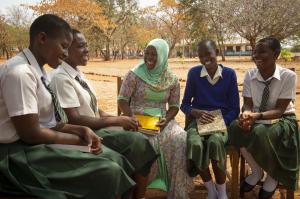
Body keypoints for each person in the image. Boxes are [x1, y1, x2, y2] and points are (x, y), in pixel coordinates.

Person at [0, 14, 136, 199]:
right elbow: (30, 133)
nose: (66, 52)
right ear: (42, 38)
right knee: (107, 171)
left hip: (35, 144)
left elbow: (46, 122)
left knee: (115, 159)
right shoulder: (20, 73)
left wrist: (80, 130)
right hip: (17, 154)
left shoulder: (39, 71)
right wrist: (76, 140)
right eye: (64, 46)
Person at [50, 29, 158, 199]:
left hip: (96, 126)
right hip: (86, 134)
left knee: (140, 142)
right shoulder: (61, 78)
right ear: (66, 50)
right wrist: (118, 120)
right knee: (137, 144)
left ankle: (139, 196)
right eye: (81, 46)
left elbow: (95, 109)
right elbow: (75, 118)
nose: (87, 50)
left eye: (86, 45)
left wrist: (121, 120)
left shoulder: (78, 74)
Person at [118, 38, 193, 199]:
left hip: (162, 119)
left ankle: (176, 192)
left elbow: (174, 106)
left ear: (163, 56)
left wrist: (167, 119)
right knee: (143, 142)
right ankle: (137, 192)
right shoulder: (134, 74)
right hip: (137, 119)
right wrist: (130, 117)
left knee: (180, 138)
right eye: (147, 53)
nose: (150, 57)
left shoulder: (171, 79)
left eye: (154, 54)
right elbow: (122, 100)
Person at [228, 37, 299, 199]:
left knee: (259, 131)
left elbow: (280, 110)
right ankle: (257, 171)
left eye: (262, 52)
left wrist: (256, 116)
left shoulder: (288, 76)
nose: (256, 56)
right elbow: (247, 104)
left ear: (276, 54)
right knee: (235, 128)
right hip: (256, 117)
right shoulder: (250, 75)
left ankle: (273, 175)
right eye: (254, 52)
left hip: (282, 119)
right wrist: (246, 114)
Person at [180, 40, 240, 199]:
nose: (205, 58)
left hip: (222, 121)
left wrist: (222, 122)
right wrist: (195, 112)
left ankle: (221, 193)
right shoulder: (194, 74)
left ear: (217, 53)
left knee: (215, 142)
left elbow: (235, 108)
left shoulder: (229, 74)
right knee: (194, 143)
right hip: (198, 121)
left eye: (208, 54)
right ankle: (211, 190)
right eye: (200, 56)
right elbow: (184, 105)